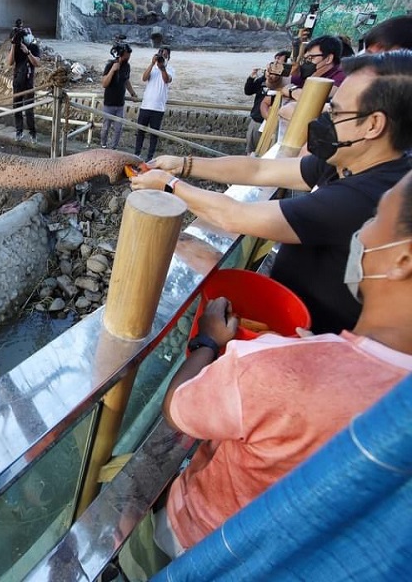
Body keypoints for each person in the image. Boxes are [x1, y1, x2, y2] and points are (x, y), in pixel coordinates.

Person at [153, 169, 412, 555]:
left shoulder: (275, 368)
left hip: (202, 539)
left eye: (376, 218)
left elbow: (177, 408)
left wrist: (208, 340)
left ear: (402, 259)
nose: (363, 232)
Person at [130, 50, 412, 335]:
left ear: (373, 125)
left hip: (305, 338)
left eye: (336, 112)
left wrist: (169, 185)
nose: (326, 118)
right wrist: (183, 164)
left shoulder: (363, 196)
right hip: (287, 310)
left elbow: (234, 216)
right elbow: (259, 171)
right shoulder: (348, 163)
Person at [243, 50, 290, 155]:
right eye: (275, 60)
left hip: (273, 125)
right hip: (256, 121)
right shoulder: (265, 78)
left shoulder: (288, 82)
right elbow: (248, 91)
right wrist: (251, 77)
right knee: (251, 153)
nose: (276, 63)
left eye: (279, 61)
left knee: (266, 155)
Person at [134, 47, 174, 160]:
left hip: (158, 108)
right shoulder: (152, 68)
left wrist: (162, 69)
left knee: (154, 135)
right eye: (161, 54)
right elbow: (144, 78)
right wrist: (152, 64)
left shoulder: (170, 69)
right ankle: (136, 155)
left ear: (169, 57)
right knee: (140, 132)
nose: (163, 56)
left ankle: (150, 158)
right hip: (145, 106)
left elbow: (167, 80)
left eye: (165, 55)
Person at [282, 35, 345, 104]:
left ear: (328, 59)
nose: (306, 62)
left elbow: (313, 97)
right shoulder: (310, 74)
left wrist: (291, 91)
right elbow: (282, 83)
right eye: (305, 59)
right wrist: (273, 79)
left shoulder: (341, 76)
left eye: (310, 58)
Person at [7, 19, 41, 143]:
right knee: (17, 108)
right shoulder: (16, 47)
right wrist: (13, 45)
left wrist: (28, 52)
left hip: (28, 84)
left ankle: (32, 133)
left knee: (29, 110)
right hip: (17, 83)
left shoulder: (33, 46)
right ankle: (19, 131)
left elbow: (37, 63)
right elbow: (10, 62)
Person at [99, 44, 137, 150]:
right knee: (106, 127)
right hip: (109, 103)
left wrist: (132, 93)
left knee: (118, 128)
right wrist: (113, 70)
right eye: (126, 56)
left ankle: (113, 148)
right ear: (121, 54)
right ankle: (103, 146)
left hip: (120, 104)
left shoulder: (127, 66)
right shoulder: (110, 65)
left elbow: (126, 81)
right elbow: (104, 84)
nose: (128, 58)